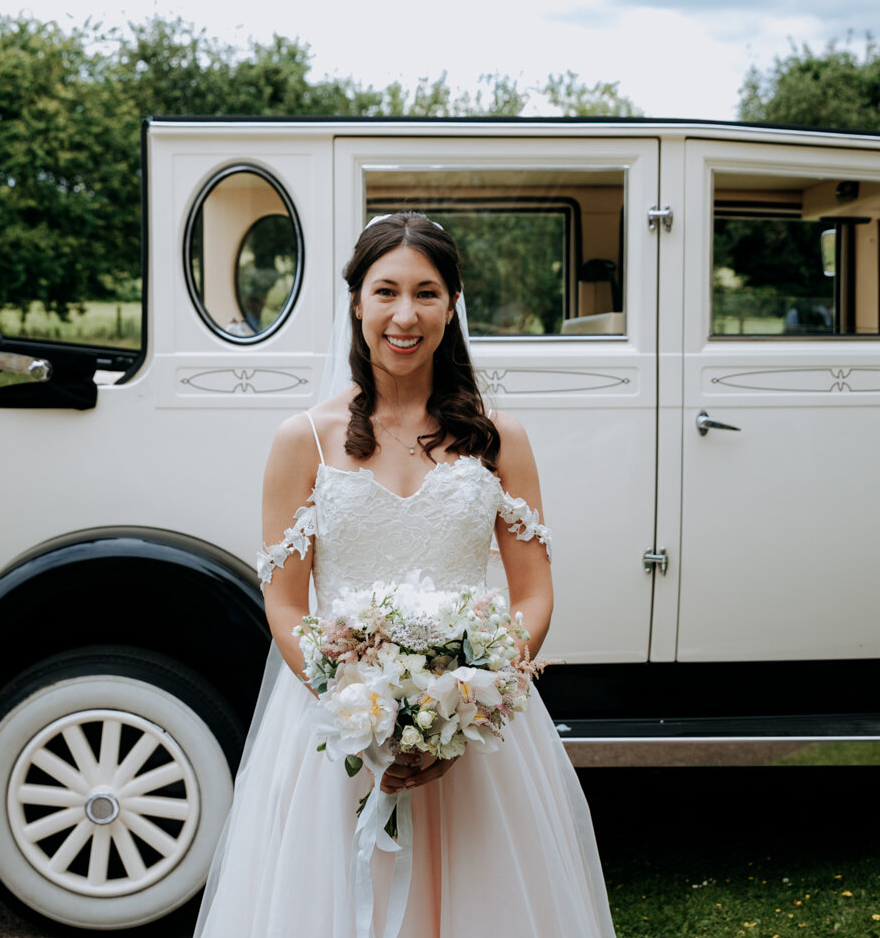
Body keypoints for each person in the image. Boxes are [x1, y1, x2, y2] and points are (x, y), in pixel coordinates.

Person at [193, 213, 615, 938]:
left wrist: (459, 705)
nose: (404, 315)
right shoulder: (304, 440)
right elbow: (285, 603)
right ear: (355, 302)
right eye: (385, 291)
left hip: (478, 732)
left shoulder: (498, 438)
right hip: (336, 731)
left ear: (452, 306)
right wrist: (361, 705)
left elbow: (534, 592)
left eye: (425, 293)